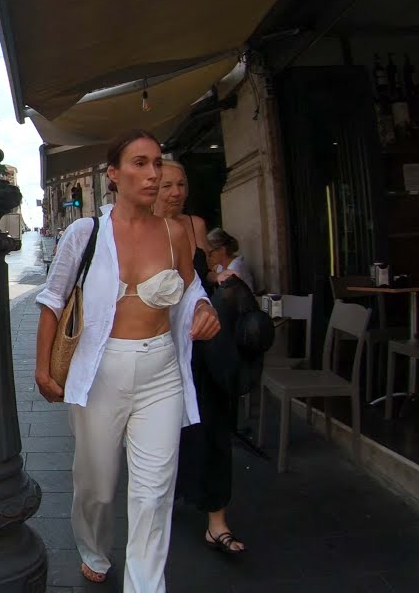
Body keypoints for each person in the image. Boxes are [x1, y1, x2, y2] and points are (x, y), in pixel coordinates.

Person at [35, 129, 221, 591]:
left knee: (153, 494)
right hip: (99, 374)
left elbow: (191, 287)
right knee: (96, 488)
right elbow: (53, 300)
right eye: (140, 163)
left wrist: (202, 307)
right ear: (113, 175)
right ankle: (94, 548)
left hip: (161, 374)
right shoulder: (86, 233)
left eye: (157, 163)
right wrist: (42, 368)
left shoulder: (176, 233)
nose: (153, 174)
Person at [156, 162, 246, 555]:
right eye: (167, 185)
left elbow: (203, 276)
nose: (176, 192)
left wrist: (218, 282)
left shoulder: (194, 225)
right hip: (158, 348)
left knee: (211, 424)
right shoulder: (137, 231)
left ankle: (217, 521)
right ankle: (163, 503)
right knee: (163, 434)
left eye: (182, 184)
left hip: (198, 344)